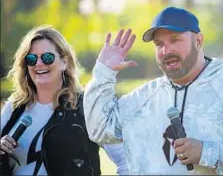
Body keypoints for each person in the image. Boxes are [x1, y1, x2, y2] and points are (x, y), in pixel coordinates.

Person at [83, 6, 223, 175]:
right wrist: (104, 72)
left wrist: (208, 153)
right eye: (159, 44)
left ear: (198, 41)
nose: (166, 50)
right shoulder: (143, 98)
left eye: (175, 40)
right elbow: (100, 130)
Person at [0, 25, 128, 176]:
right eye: (31, 58)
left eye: (47, 57)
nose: (39, 63)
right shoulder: (13, 108)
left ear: (64, 62)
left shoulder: (85, 107)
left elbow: (125, 159)